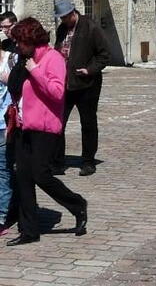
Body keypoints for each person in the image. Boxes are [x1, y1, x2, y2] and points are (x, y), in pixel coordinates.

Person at [6, 18, 87, 246]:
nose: (18, 46)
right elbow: (16, 86)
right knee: (22, 177)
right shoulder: (24, 58)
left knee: (41, 174)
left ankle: (77, 204)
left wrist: (36, 71)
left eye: (20, 42)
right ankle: (29, 230)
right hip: (23, 125)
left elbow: (57, 92)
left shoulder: (53, 58)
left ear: (31, 40)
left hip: (45, 126)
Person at [52, 0, 110, 177]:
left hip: (87, 85)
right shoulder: (62, 29)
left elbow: (104, 55)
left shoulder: (90, 27)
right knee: (58, 123)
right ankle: (58, 162)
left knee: (88, 123)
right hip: (66, 83)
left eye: (65, 17)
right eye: (60, 18)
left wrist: (90, 69)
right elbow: (58, 49)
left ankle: (88, 161)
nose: (63, 20)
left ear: (72, 13)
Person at [0, 41, 13, 235]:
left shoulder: (11, 59)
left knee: (3, 170)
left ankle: (2, 216)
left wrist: (8, 78)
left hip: (4, 124)